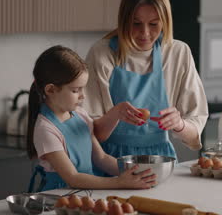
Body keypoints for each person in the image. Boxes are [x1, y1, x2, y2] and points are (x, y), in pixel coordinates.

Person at [83, 0, 208, 161]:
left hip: (161, 161)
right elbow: (91, 133)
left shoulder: (178, 53)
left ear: (165, 21)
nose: (145, 33)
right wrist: (115, 115)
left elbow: (194, 136)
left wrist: (179, 124)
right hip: (109, 162)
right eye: (136, 23)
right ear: (124, 20)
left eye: (154, 24)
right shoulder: (102, 53)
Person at [26, 45, 156, 192]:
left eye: (83, 88)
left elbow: (101, 158)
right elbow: (73, 178)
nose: (83, 95)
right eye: (75, 90)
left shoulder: (80, 115)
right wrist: (119, 182)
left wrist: (136, 172)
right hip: (59, 196)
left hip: (87, 191)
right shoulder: (46, 129)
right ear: (50, 90)